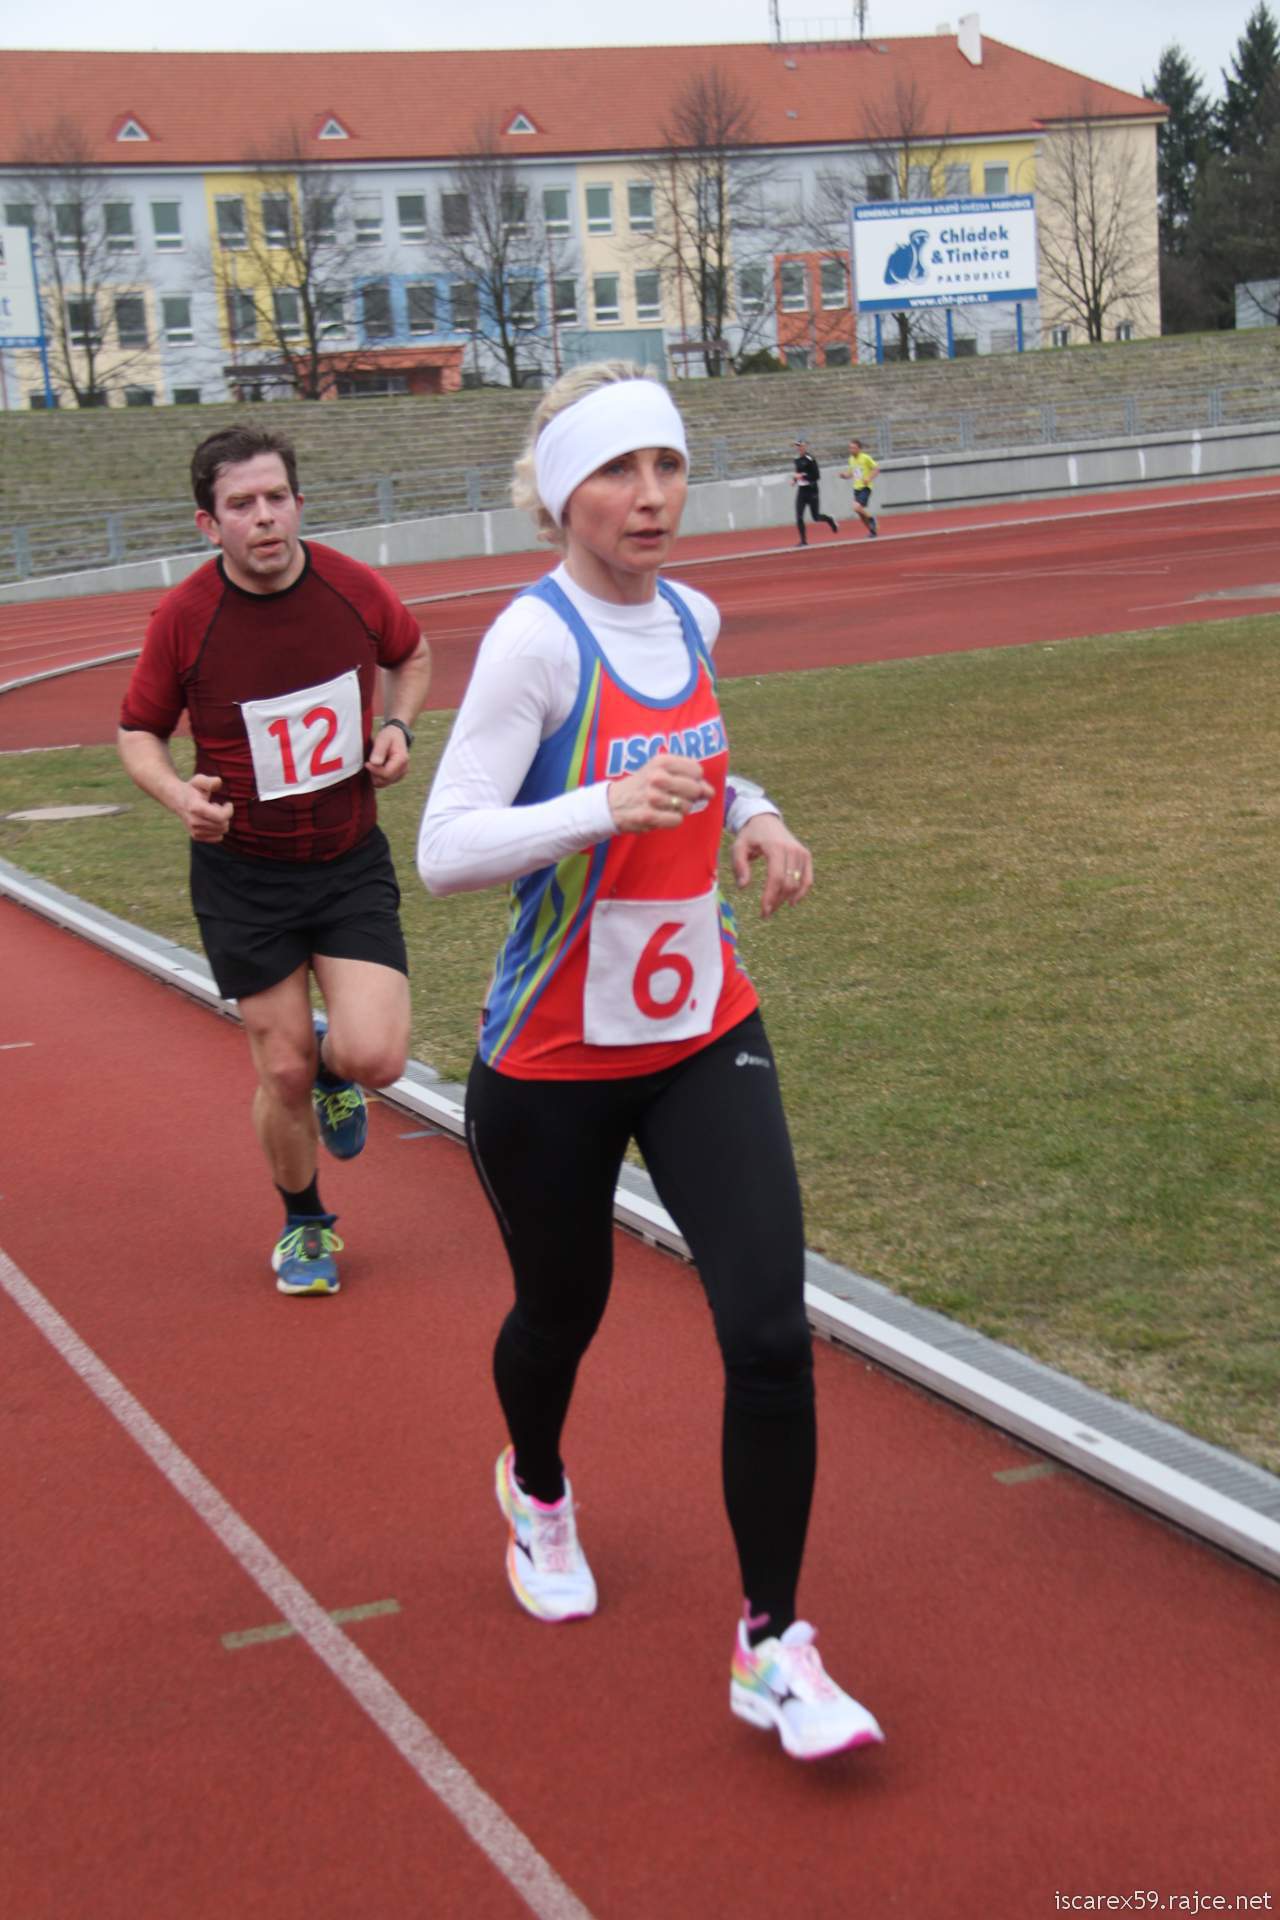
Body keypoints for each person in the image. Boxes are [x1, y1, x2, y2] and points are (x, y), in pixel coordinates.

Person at [417, 362, 884, 1762]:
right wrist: (599, 806)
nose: (650, 496)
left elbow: (703, 761)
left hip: (702, 1032)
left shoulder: (693, 615)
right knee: (561, 1313)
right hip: (554, 1056)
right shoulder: (534, 643)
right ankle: (538, 1488)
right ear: (563, 493)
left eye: (667, 466)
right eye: (618, 472)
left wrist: (756, 814)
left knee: (769, 1332)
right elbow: (446, 847)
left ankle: (772, 1646)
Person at [117, 424, 433, 1298]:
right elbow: (138, 731)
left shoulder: (351, 587)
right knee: (281, 1067)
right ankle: (305, 1223)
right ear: (207, 523)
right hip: (243, 874)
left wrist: (399, 726)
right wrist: (179, 796)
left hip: (346, 859)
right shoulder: (184, 618)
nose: (263, 518)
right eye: (241, 505)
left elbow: (411, 655)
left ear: (298, 502)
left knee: (377, 1058)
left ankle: (338, 1067)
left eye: (276, 498)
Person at [789, 436, 839, 546]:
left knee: (815, 517)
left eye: (800, 446)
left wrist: (802, 476)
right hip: (802, 491)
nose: (798, 448)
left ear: (805, 446)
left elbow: (816, 476)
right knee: (799, 516)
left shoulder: (810, 459)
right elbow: (798, 472)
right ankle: (803, 540)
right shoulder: (796, 459)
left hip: (812, 491)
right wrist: (794, 480)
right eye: (797, 446)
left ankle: (830, 519)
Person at [844, 439, 880, 538]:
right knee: (860, 513)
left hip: (865, 487)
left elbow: (876, 469)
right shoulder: (851, 459)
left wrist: (869, 478)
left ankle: (872, 518)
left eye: (854, 448)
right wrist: (845, 475)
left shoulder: (865, 458)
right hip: (856, 488)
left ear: (859, 449)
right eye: (850, 448)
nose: (851, 450)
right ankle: (872, 531)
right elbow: (851, 473)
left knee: (856, 507)